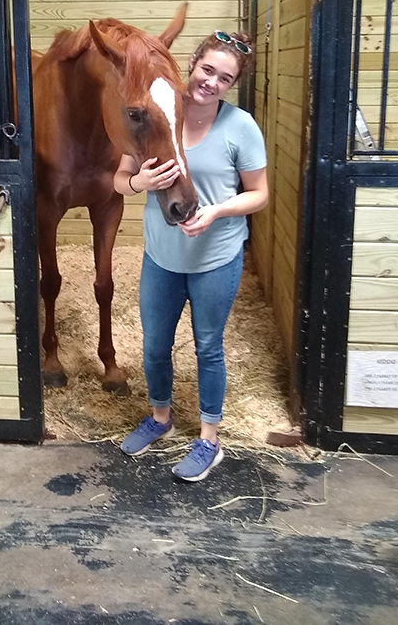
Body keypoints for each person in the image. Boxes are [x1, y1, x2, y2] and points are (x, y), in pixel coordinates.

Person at [113, 30, 268, 482]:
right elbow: (119, 180)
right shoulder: (158, 107)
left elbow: (259, 195)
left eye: (225, 77)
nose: (211, 82)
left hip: (215, 257)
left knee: (208, 347)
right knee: (155, 345)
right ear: (192, 63)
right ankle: (160, 419)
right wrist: (139, 182)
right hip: (161, 256)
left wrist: (217, 210)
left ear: (232, 84)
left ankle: (208, 440)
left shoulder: (240, 127)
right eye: (207, 70)